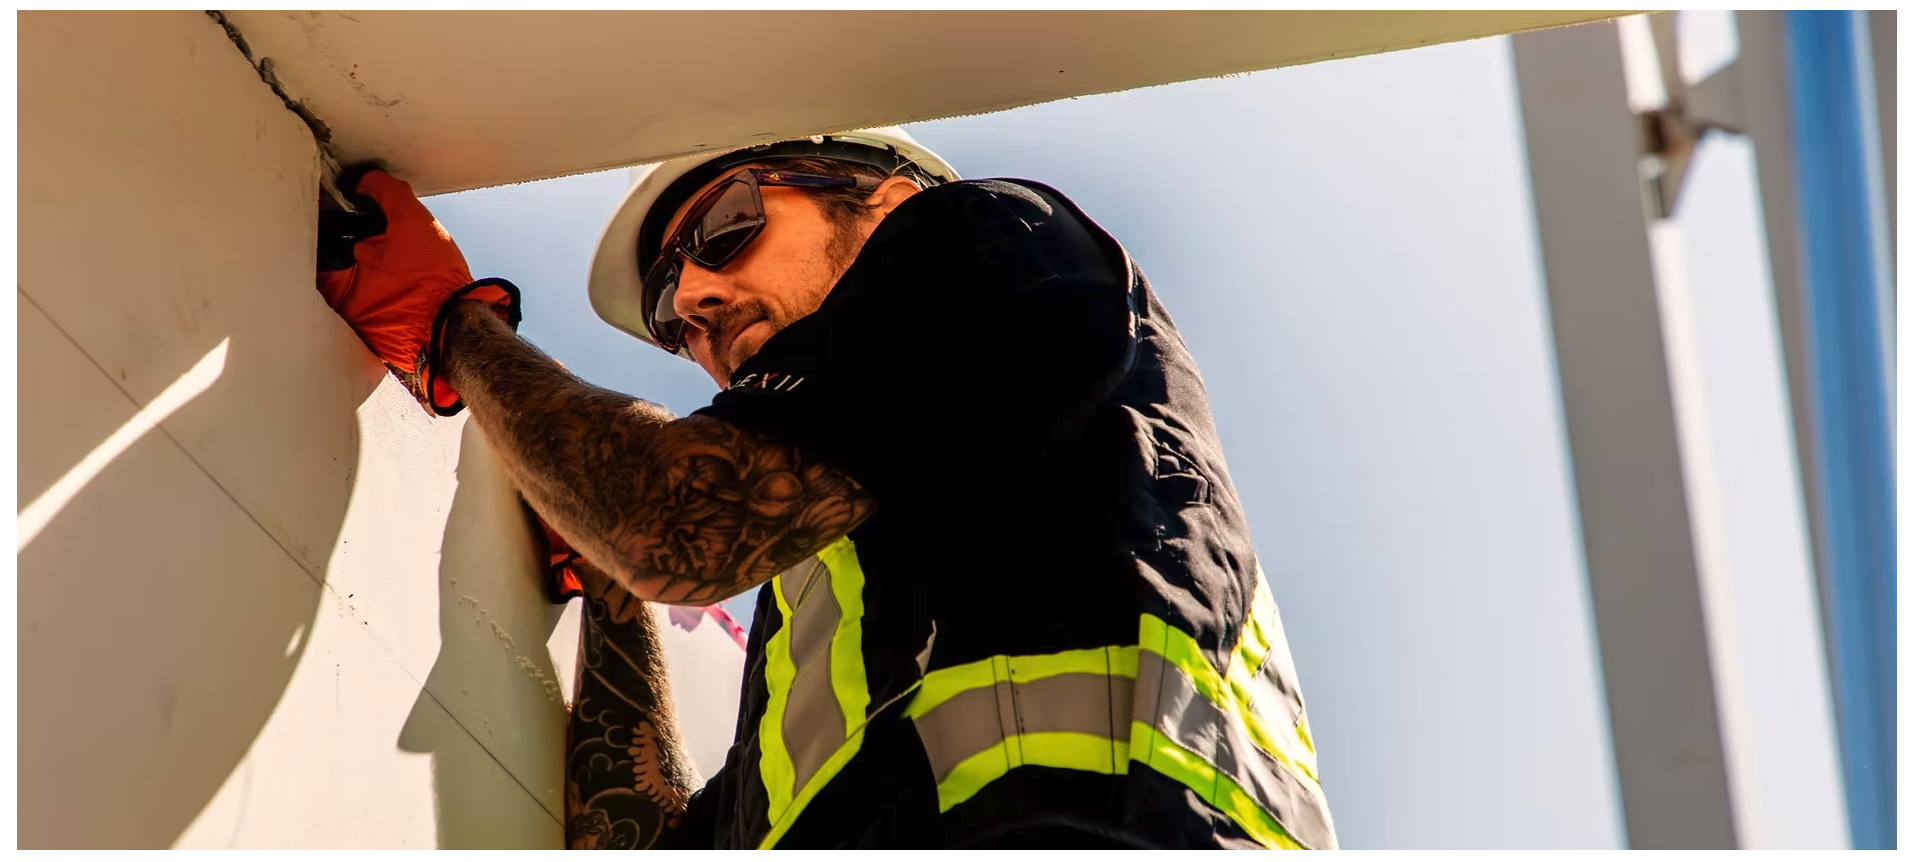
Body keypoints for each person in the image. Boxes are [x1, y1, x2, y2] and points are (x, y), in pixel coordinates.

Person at [314, 127, 1338, 850]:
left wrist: (455, 328)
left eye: (727, 225)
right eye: (668, 308)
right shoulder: (830, 636)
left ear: (885, 200)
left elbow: (673, 520)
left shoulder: (990, 240)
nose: (693, 299)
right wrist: (614, 594)